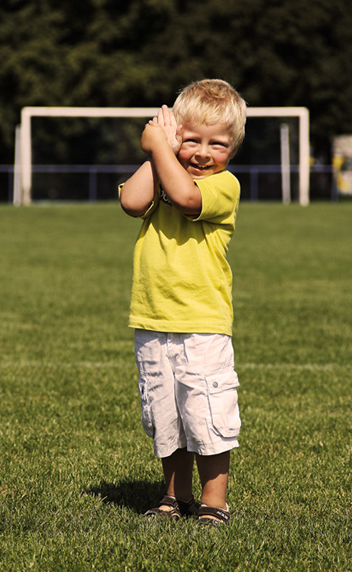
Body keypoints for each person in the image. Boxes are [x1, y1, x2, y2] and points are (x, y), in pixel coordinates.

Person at [120, 79, 246, 525]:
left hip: (202, 324)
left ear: (233, 149)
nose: (202, 152)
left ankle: (215, 502)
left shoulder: (223, 186)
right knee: (165, 417)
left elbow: (187, 197)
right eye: (190, 139)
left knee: (207, 413)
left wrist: (163, 150)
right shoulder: (163, 170)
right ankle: (175, 498)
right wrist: (159, 151)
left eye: (217, 144)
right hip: (154, 319)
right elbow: (132, 202)